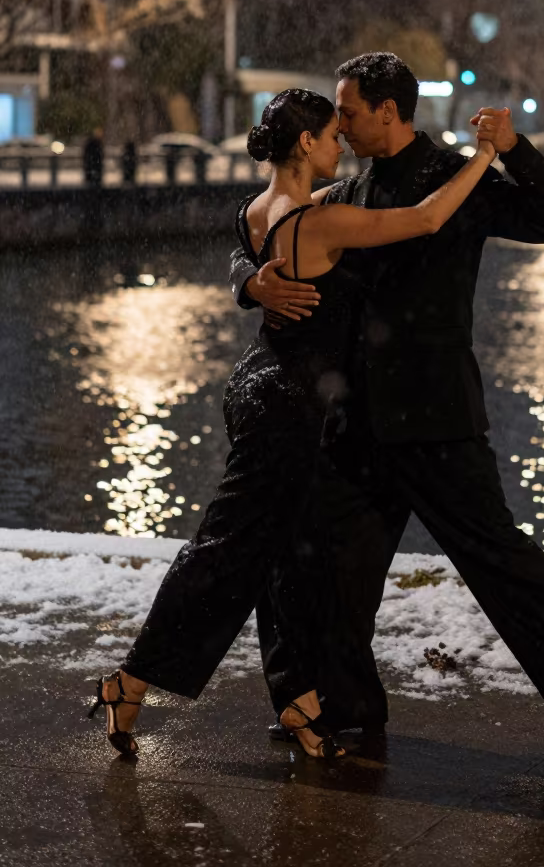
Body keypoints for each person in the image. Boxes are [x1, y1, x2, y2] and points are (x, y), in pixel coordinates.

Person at [231, 53, 544, 751]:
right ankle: (346, 707)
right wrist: (249, 282)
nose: (342, 124)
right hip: (355, 415)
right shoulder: (349, 190)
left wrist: (511, 148)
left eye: (351, 112)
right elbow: (260, 233)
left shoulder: (458, 177)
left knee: (503, 566)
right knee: (329, 568)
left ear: (388, 112)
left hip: (435, 414)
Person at [87, 87, 497, 760]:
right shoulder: (317, 221)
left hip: (259, 384)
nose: (339, 145)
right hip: (287, 403)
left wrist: (248, 281)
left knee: (289, 553)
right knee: (228, 553)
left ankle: (299, 702)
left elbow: (243, 255)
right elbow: (425, 219)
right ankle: (130, 680)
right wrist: (481, 158)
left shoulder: (253, 209)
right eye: (332, 135)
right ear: (305, 143)